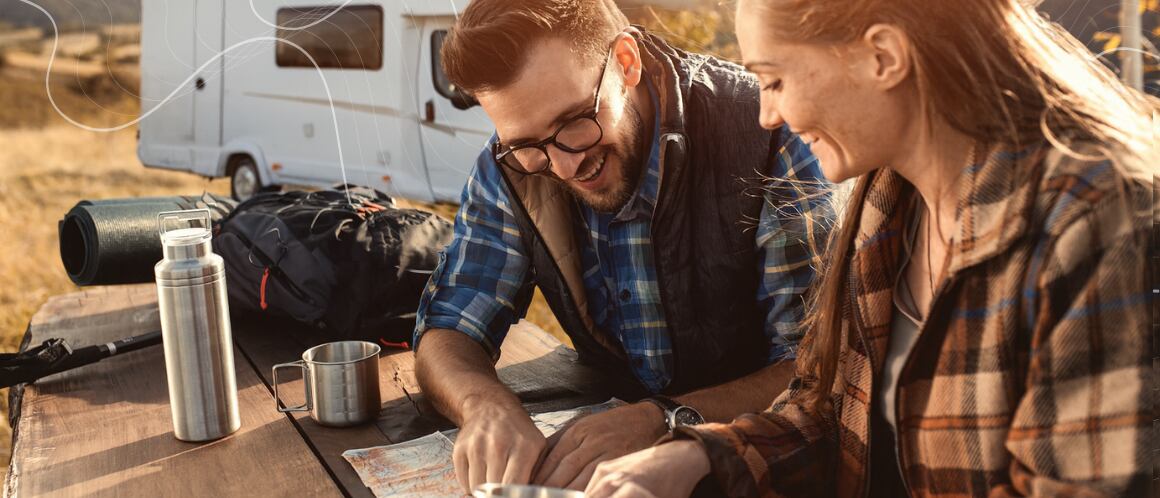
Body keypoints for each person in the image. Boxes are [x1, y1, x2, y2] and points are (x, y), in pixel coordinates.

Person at [585, 0, 1157, 497]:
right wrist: (695, 455)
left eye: (775, 80)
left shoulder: (1090, 215)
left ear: (883, 56)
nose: (767, 114)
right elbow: (831, 414)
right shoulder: (888, 198)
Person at [411, 0, 828, 492]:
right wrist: (483, 404)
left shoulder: (767, 134)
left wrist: (663, 418)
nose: (564, 167)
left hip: (757, 464)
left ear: (627, 63)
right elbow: (448, 326)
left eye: (573, 123)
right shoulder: (512, 165)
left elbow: (813, 369)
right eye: (528, 144)